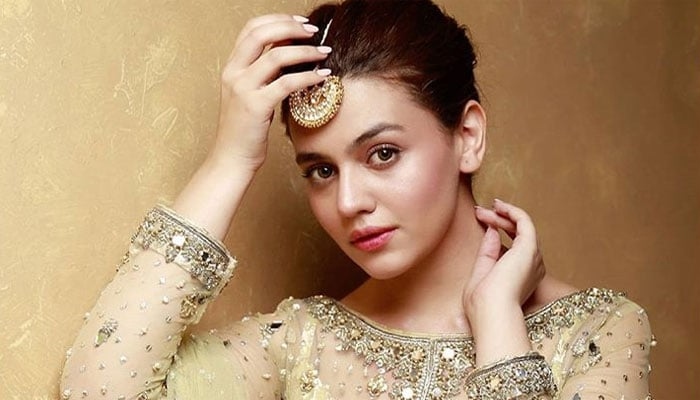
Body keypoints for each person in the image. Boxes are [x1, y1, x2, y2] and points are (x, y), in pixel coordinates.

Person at [59, 1, 654, 399]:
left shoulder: (598, 330)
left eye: (383, 154)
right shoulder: (302, 342)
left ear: (467, 136)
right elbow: (98, 390)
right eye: (320, 170)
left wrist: (498, 320)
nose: (347, 202)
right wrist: (230, 159)